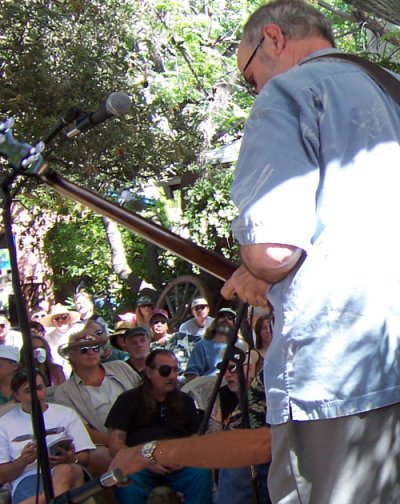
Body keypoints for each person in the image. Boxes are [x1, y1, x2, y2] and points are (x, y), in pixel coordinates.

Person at [216, 1, 400, 502]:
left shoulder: (290, 90)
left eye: (249, 77)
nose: (254, 89)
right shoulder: (389, 89)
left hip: (337, 378)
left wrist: (259, 269)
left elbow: (273, 250)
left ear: (272, 39)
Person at [105, 349, 213, 504]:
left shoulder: (185, 401)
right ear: (149, 372)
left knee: (201, 474)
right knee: (126, 483)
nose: (172, 376)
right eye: (165, 371)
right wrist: (144, 460)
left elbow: (195, 437)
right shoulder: (128, 400)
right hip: (139, 463)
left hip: (178, 462)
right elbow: (115, 443)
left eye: (175, 370)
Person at [53, 321, 142, 475]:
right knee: (99, 457)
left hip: (142, 430)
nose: (91, 352)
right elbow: (83, 430)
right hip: (105, 443)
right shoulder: (64, 392)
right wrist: (120, 443)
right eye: (84, 349)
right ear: (71, 357)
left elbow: (146, 397)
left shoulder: (121, 367)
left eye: (95, 348)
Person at [0, 368, 95, 504]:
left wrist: (70, 458)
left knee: (64, 469)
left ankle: (44, 499)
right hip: (29, 477)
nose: (36, 395)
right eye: (28, 391)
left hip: (67, 470)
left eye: (39, 388)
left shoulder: (66, 414)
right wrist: (22, 461)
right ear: (16, 395)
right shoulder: (4, 424)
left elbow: (85, 456)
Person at [184, 308, 236, 380]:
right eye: (222, 316)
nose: (226, 319)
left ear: (234, 325)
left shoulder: (239, 347)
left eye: (230, 318)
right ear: (215, 321)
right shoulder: (202, 345)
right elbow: (191, 375)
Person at [150, 309, 201, 381]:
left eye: (163, 322)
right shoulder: (149, 348)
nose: (159, 324)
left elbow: (202, 345)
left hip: (190, 378)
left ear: (167, 326)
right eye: (156, 322)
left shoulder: (181, 337)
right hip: (166, 382)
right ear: (150, 325)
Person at [41, 303, 82, 377]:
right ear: (52, 321)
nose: (60, 320)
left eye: (64, 317)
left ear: (69, 318)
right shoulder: (48, 338)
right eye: (56, 318)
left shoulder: (80, 330)